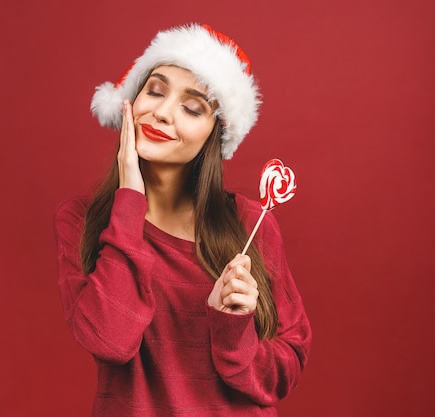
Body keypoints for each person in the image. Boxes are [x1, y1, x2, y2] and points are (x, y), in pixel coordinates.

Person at [54, 23, 312, 416]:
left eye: (192, 108)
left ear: (214, 134)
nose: (161, 112)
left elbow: (284, 371)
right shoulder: (81, 220)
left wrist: (234, 329)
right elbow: (110, 341)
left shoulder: (248, 222)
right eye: (154, 90)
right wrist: (129, 201)